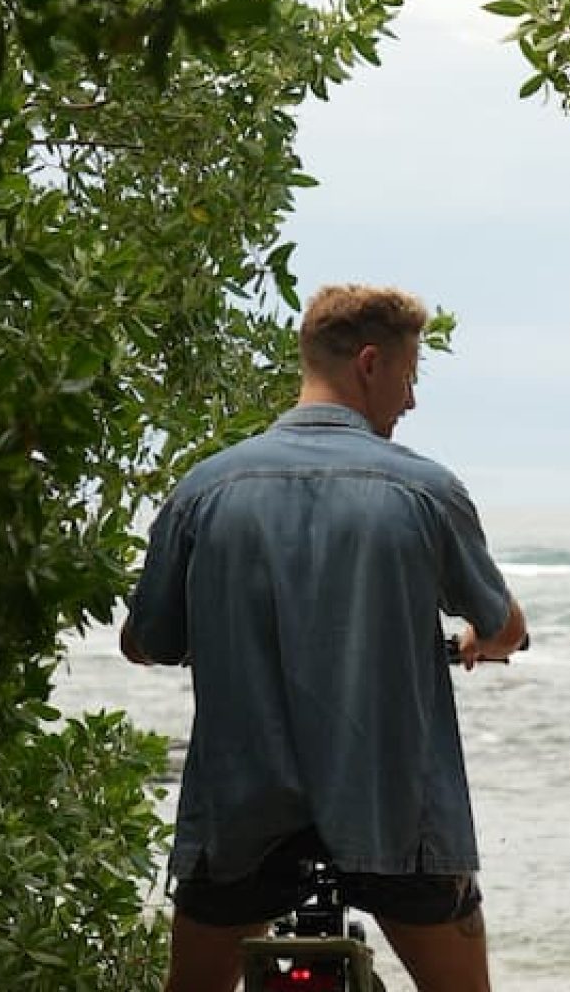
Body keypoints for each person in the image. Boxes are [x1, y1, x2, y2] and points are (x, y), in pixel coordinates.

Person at [120, 284, 529, 992]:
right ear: (370, 363)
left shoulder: (205, 489)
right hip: (396, 819)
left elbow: (146, 641)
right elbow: (502, 627)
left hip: (241, 822)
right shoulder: (427, 492)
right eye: (409, 375)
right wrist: (482, 641)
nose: (410, 401)